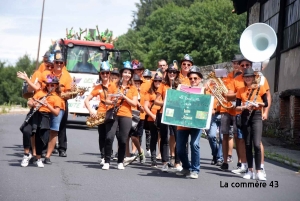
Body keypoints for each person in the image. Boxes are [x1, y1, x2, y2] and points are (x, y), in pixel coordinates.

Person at [17, 54, 55, 167]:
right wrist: (30, 102)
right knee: (27, 131)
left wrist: (49, 105)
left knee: (41, 136)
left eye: (51, 65)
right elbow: (34, 90)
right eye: (48, 64)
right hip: (34, 113)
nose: (49, 67)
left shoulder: (52, 91)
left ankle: (38, 157)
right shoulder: (39, 85)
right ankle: (26, 154)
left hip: (45, 114)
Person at [102, 61, 138, 170]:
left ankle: (120, 161)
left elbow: (135, 103)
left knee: (123, 139)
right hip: (114, 113)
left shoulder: (133, 88)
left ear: (131, 75)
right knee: (109, 137)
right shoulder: (114, 85)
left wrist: (124, 97)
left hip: (126, 114)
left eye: (129, 73)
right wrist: (114, 101)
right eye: (125, 72)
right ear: (122, 73)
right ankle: (107, 161)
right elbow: (106, 101)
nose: (127, 74)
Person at [235, 68, 268, 181]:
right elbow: (237, 107)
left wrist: (258, 103)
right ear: (243, 78)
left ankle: (259, 171)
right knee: (248, 144)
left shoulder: (260, 88)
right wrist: (244, 106)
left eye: (250, 76)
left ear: (253, 78)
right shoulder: (240, 90)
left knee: (257, 144)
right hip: (245, 116)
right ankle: (250, 170)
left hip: (257, 115)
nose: (248, 78)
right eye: (246, 76)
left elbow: (266, 103)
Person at [40, 50, 72, 157]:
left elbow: (69, 92)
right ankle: (44, 148)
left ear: (64, 64)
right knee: (47, 126)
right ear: (53, 63)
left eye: (61, 63)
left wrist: (64, 94)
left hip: (62, 103)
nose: (58, 65)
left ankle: (62, 148)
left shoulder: (67, 76)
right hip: (48, 103)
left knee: (62, 126)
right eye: (57, 62)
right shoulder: (48, 74)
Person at [27, 76, 62, 168]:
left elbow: (56, 113)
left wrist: (47, 105)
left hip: (46, 115)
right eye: (48, 85)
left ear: (56, 86)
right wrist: (33, 104)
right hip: (36, 114)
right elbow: (30, 102)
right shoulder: (40, 93)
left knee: (45, 136)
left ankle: (43, 156)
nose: (50, 86)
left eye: (52, 85)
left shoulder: (57, 98)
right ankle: (34, 155)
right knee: (32, 133)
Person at [176, 66, 203, 179]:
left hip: (197, 123)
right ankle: (186, 167)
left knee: (194, 144)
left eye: (195, 78)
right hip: (183, 123)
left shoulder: (205, 91)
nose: (193, 80)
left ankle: (195, 170)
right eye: (191, 78)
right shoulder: (182, 89)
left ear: (200, 79)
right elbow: (176, 101)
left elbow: (211, 109)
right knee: (180, 148)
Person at [154, 64, 182, 172]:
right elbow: (156, 101)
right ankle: (165, 162)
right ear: (167, 73)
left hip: (176, 114)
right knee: (164, 137)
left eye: (174, 72)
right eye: (170, 71)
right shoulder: (163, 85)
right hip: (164, 112)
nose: (172, 73)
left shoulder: (180, 86)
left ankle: (177, 162)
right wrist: (165, 102)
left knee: (178, 137)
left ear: (177, 73)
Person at [84, 61, 111, 165]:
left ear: (109, 73)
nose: (105, 75)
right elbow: (86, 100)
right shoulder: (97, 87)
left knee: (110, 136)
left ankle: (109, 154)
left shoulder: (114, 85)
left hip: (112, 114)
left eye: (107, 73)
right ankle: (103, 156)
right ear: (100, 74)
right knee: (102, 136)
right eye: (103, 73)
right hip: (101, 113)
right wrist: (91, 111)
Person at [124, 74, 146, 166]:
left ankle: (140, 151)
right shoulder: (130, 91)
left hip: (138, 117)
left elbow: (143, 106)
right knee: (125, 137)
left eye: (138, 83)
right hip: (128, 115)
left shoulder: (142, 93)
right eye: (135, 83)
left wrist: (140, 106)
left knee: (134, 137)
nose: (137, 85)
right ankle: (127, 156)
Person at [144, 71, 163, 168]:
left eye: (159, 81)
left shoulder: (164, 92)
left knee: (164, 138)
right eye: (156, 81)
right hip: (152, 118)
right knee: (154, 138)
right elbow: (145, 106)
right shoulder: (150, 92)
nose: (157, 83)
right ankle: (153, 159)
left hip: (162, 117)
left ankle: (165, 159)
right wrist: (152, 115)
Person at [142, 69, 153, 157]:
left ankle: (148, 148)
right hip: (142, 111)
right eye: (145, 77)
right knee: (139, 132)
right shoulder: (141, 84)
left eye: (148, 78)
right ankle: (140, 150)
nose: (147, 79)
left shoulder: (152, 85)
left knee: (148, 132)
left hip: (149, 111)